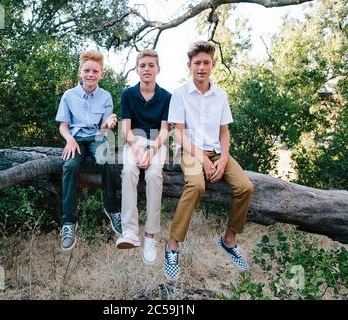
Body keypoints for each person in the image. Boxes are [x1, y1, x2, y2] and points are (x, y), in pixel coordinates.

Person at [164, 41, 254, 280]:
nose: (201, 67)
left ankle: (229, 240)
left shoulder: (220, 95)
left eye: (206, 63)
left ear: (213, 65)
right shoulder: (179, 94)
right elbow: (179, 133)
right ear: (189, 66)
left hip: (216, 150)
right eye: (197, 63)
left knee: (245, 187)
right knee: (196, 185)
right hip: (189, 150)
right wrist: (203, 160)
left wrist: (223, 159)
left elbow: (224, 132)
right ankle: (172, 246)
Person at [55, 50, 122, 251]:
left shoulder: (105, 96)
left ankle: (112, 209)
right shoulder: (69, 95)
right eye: (87, 70)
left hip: (96, 136)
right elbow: (63, 126)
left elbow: (103, 126)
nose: (90, 74)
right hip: (75, 138)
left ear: (101, 74)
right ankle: (68, 223)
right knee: (70, 166)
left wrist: (108, 122)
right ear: (80, 72)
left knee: (108, 161)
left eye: (95, 71)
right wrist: (69, 140)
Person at [116, 49, 171, 265]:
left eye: (151, 65)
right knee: (129, 171)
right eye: (142, 65)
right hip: (134, 142)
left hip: (157, 143)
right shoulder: (128, 95)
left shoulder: (166, 97)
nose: (147, 69)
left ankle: (150, 235)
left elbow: (165, 130)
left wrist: (151, 151)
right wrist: (137, 149)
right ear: (137, 69)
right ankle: (129, 232)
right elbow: (126, 129)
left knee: (153, 175)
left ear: (158, 69)